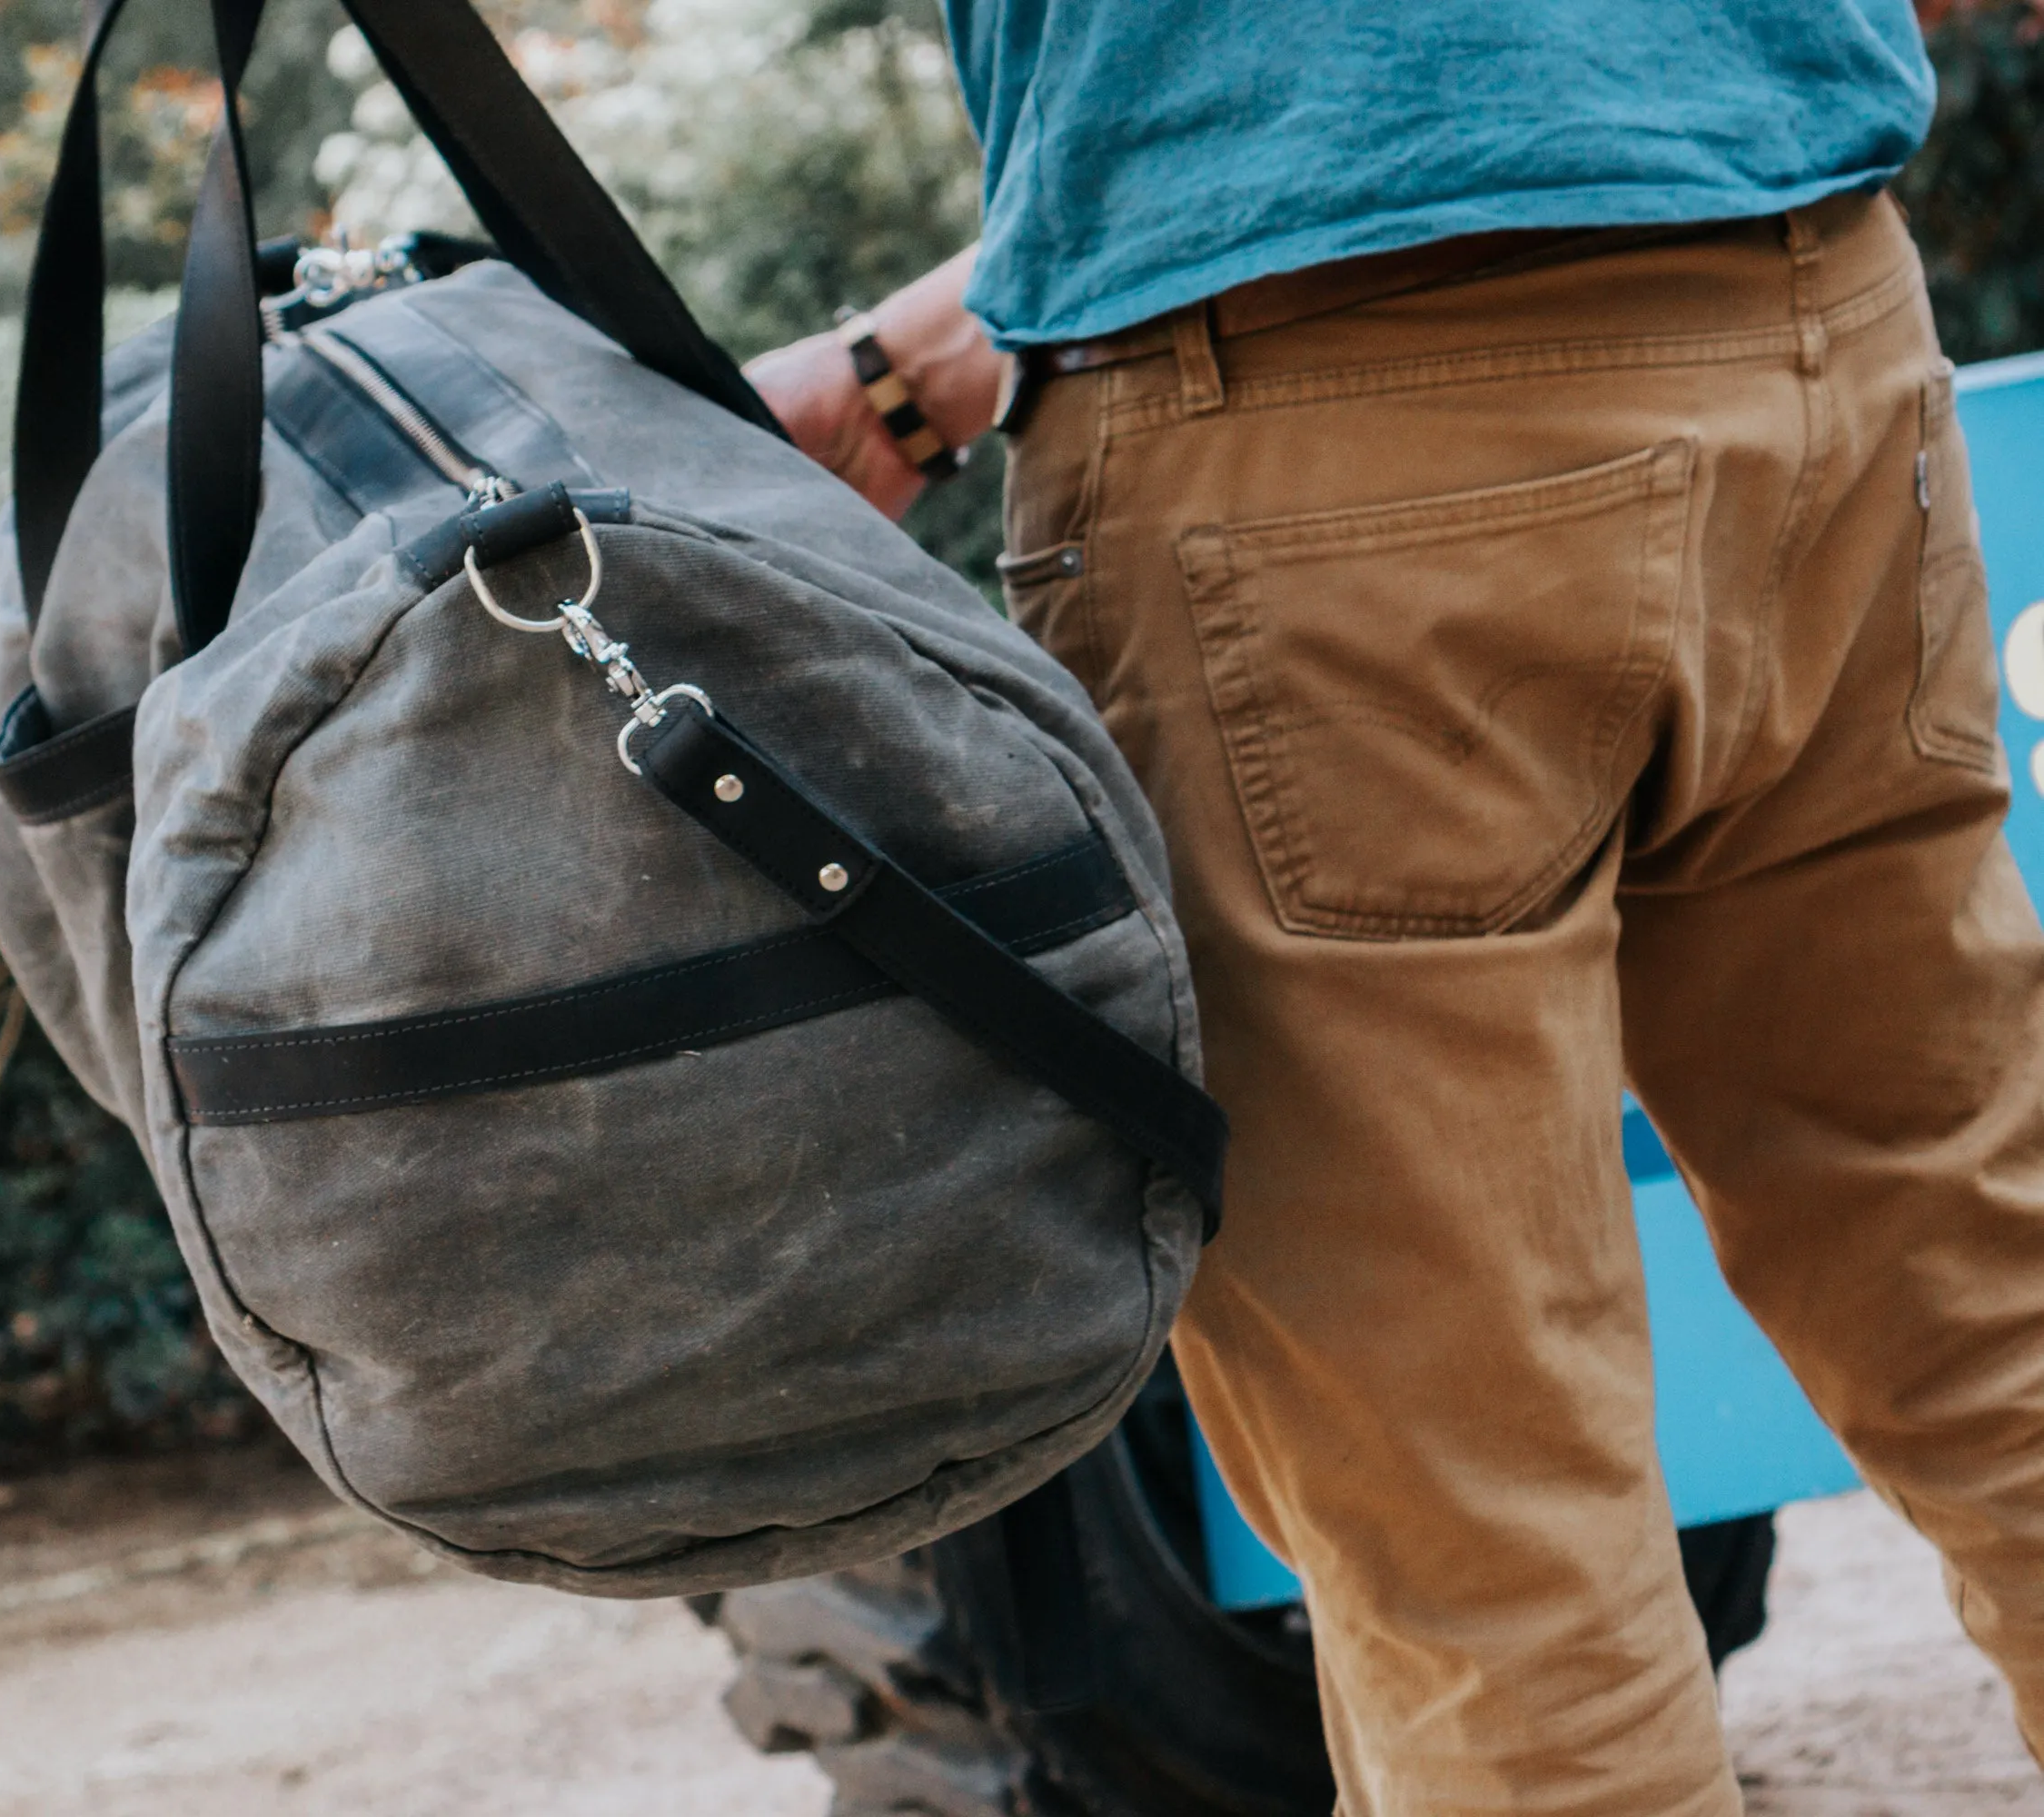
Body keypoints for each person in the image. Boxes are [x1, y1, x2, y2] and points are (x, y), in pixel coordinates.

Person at [747, 6, 2044, 1812]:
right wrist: (924, 360)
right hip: (1802, 322)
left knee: (1477, 1531)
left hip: (1298, 452)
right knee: (1992, 1295)